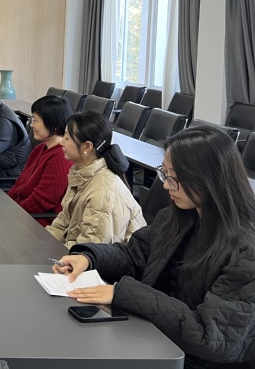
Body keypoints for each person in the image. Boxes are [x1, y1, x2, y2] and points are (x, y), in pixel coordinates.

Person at [54, 126, 255, 369]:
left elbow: (213, 339)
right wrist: (90, 258)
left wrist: (123, 294)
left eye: (174, 178)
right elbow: (134, 256)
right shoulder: (177, 216)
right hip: (153, 338)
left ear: (208, 179)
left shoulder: (247, 249)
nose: (166, 186)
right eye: (164, 173)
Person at [45, 111, 144, 248]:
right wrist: (43, 243)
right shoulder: (80, 173)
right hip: (72, 250)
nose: (61, 142)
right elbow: (63, 221)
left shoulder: (102, 193)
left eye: (67, 138)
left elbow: (89, 248)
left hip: (89, 257)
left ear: (87, 146)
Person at [6, 96, 73, 225]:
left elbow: (41, 202)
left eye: (35, 120)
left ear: (53, 124)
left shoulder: (61, 157)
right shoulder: (40, 148)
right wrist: (6, 204)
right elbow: (19, 183)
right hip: (22, 213)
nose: (31, 125)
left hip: (38, 222)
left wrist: (12, 212)